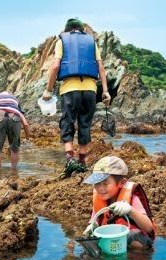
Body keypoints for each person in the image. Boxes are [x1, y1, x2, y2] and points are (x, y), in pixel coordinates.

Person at [42, 18, 111, 178]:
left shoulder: (61, 41)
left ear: (68, 30)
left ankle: (69, 159)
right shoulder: (91, 42)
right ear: (81, 30)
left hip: (70, 89)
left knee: (67, 122)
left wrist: (48, 90)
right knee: (85, 125)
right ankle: (82, 162)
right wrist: (105, 91)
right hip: (90, 91)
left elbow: (56, 66)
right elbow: (100, 67)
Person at [82, 156, 157, 249]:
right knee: (90, 242)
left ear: (122, 182)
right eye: (97, 183)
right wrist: (92, 226)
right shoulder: (99, 199)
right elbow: (95, 219)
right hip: (111, 240)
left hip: (131, 240)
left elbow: (149, 228)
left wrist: (130, 211)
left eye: (105, 183)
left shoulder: (133, 198)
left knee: (136, 239)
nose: (100, 188)